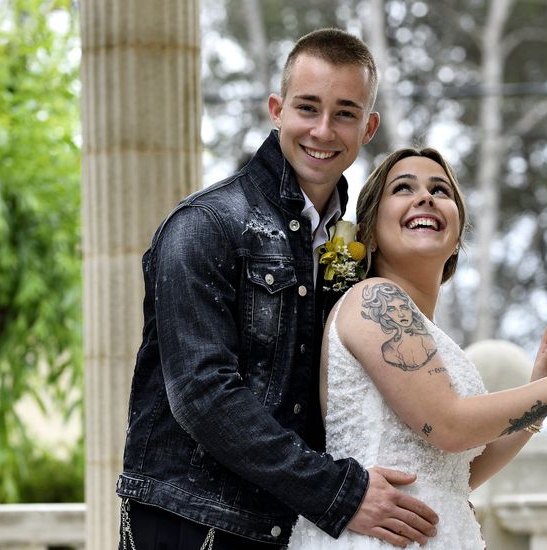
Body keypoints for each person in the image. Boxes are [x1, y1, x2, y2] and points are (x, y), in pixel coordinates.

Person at [115, 30, 439, 549]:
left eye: (345, 114)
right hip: (195, 523)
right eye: (307, 108)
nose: (323, 130)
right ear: (276, 110)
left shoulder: (346, 244)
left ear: (369, 126)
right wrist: (338, 492)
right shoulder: (207, 225)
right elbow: (202, 394)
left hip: (289, 526)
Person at [286, 148, 547, 549]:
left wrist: (539, 400)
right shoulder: (376, 300)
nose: (425, 197)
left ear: (456, 242)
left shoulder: (429, 331)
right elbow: (448, 426)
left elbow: (454, 472)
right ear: (367, 234)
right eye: (403, 188)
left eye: (440, 190)